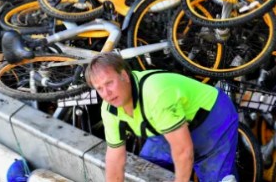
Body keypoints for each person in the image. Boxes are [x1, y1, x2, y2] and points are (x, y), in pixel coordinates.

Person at [85, 52, 238, 182]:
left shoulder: (155, 94)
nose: (106, 93)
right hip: (169, 126)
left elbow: (184, 151)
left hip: (212, 118)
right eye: (99, 88)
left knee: (214, 175)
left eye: (109, 83)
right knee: (148, 169)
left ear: (124, 75)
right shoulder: (110, 109)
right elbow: (115, 158)